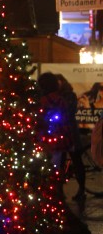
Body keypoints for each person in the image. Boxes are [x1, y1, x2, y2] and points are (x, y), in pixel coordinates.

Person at [56, 73, 86, 201]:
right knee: (60, 164)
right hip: (60, 133)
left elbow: (68, 111)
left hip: (70, 133)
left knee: (77, 161)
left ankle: (82, 190)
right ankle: (59, 190)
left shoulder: (70, 95)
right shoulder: (57, 95)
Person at [37, 72, 71, 183]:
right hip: (57, 139)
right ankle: (56, 193)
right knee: (55, 168)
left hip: (43, 139)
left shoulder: (41, 101)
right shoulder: (59, 100)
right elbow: (65, 120)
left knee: (43, 169)